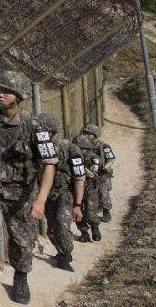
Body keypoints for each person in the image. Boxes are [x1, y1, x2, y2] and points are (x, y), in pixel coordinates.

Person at [0, 70, 57, 305]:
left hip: (21, 191)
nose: (0, 94)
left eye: (7, 91)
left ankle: (20, 277)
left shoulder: (34, 126)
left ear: (18, 97)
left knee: (21, 238)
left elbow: (49, 165)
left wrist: (41, 200)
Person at [34, 112, 85, 272]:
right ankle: (61, 251)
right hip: (46, 194)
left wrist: (77, 204)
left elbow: (79, 177)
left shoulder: (70, 149)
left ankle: (65, 256)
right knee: (51, 230)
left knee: (62, 226)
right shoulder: (35, 149)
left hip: (65, 194)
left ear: (53, 132)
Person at [73, 134, 104, 243]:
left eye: (82, 149)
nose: (79, 151)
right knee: (77, 212)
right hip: (75, 187)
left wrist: (81, 166)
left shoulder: (94, 158)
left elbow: (92, 175)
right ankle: (84, 232)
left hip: (90, 188)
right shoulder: (72, 157)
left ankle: (95, 227)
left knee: (91, 212)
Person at [81, 123, 115, 222]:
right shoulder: (84, 146)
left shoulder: (104, 146)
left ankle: (106, 211)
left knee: (103, 191)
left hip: (102, 173)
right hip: (89, 172)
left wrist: (105, 167)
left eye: (88, 133)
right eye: (85, 132)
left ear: (95, 135)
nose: (85, 135)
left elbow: (111, 159)